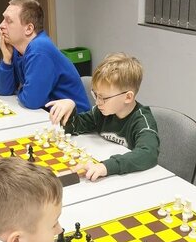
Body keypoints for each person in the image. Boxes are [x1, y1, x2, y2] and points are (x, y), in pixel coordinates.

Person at [45, 52, 159, 181]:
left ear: (128, 97)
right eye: (96, 95)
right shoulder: (101, 112)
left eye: (103, 97)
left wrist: (106, 167)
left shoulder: (142, 121)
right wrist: (69, 110)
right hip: (108, 175)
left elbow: (148, 154)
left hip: (133, 179)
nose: (98, 102)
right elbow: (75, 127)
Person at [0, 0, 90, 112]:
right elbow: (4, 90)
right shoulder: (17, 49)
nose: (1, 25)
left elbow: (32, 100)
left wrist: (21, 90)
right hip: (47, 114)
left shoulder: (40, 49)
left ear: (29, 29)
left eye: (8, 21)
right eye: (3, 19)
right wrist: (6, 59)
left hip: (75, 119)